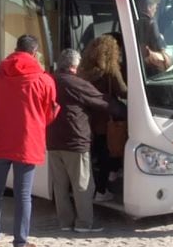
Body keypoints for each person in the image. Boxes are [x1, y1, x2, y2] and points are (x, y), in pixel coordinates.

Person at [0, 34, 58, 247]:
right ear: (34, 53)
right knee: (23, 194)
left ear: (15, 49)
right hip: (27, 142)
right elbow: (50, 113)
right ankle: (20, 243)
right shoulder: (44, 80)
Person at [48, 49, 126, 232]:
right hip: (75, 140)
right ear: (74, 66)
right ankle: (84, 223)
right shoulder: (76, 83)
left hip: (52, 139)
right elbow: (101, 101)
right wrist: (125, 111)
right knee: (82, 184)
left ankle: (65, 222)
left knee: (60, 185)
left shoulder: (50, 80)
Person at [78, 34, 127, 203]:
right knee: (109, 150)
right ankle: (102, 189)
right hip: (106, 118)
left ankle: (95, 185)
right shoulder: (110, 70)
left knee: (97, 153)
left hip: (88, 117)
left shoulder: (83, 69)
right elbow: (123, 91)